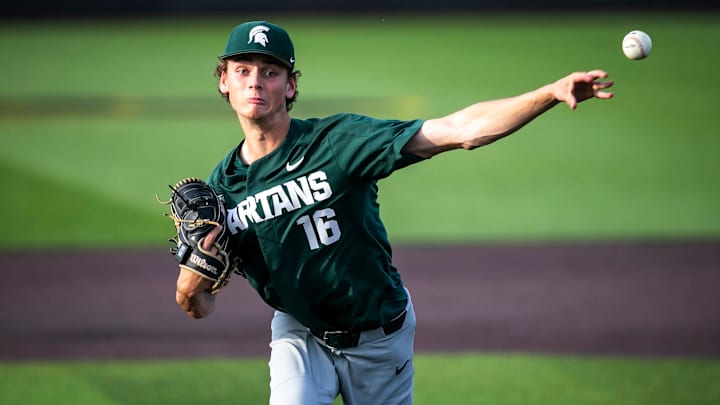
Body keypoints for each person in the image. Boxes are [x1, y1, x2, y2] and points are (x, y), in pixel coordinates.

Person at [174, 20, 614, 405]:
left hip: (379, 334)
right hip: (301, 333)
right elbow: (202, 306)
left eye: (270, 72)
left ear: (289, 86)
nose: (255, 83)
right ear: (224, 82)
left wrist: (550, 94)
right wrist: (191, 290)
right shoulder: (221, 191)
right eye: (243, 71)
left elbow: (460, 131)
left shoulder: (338, 143)